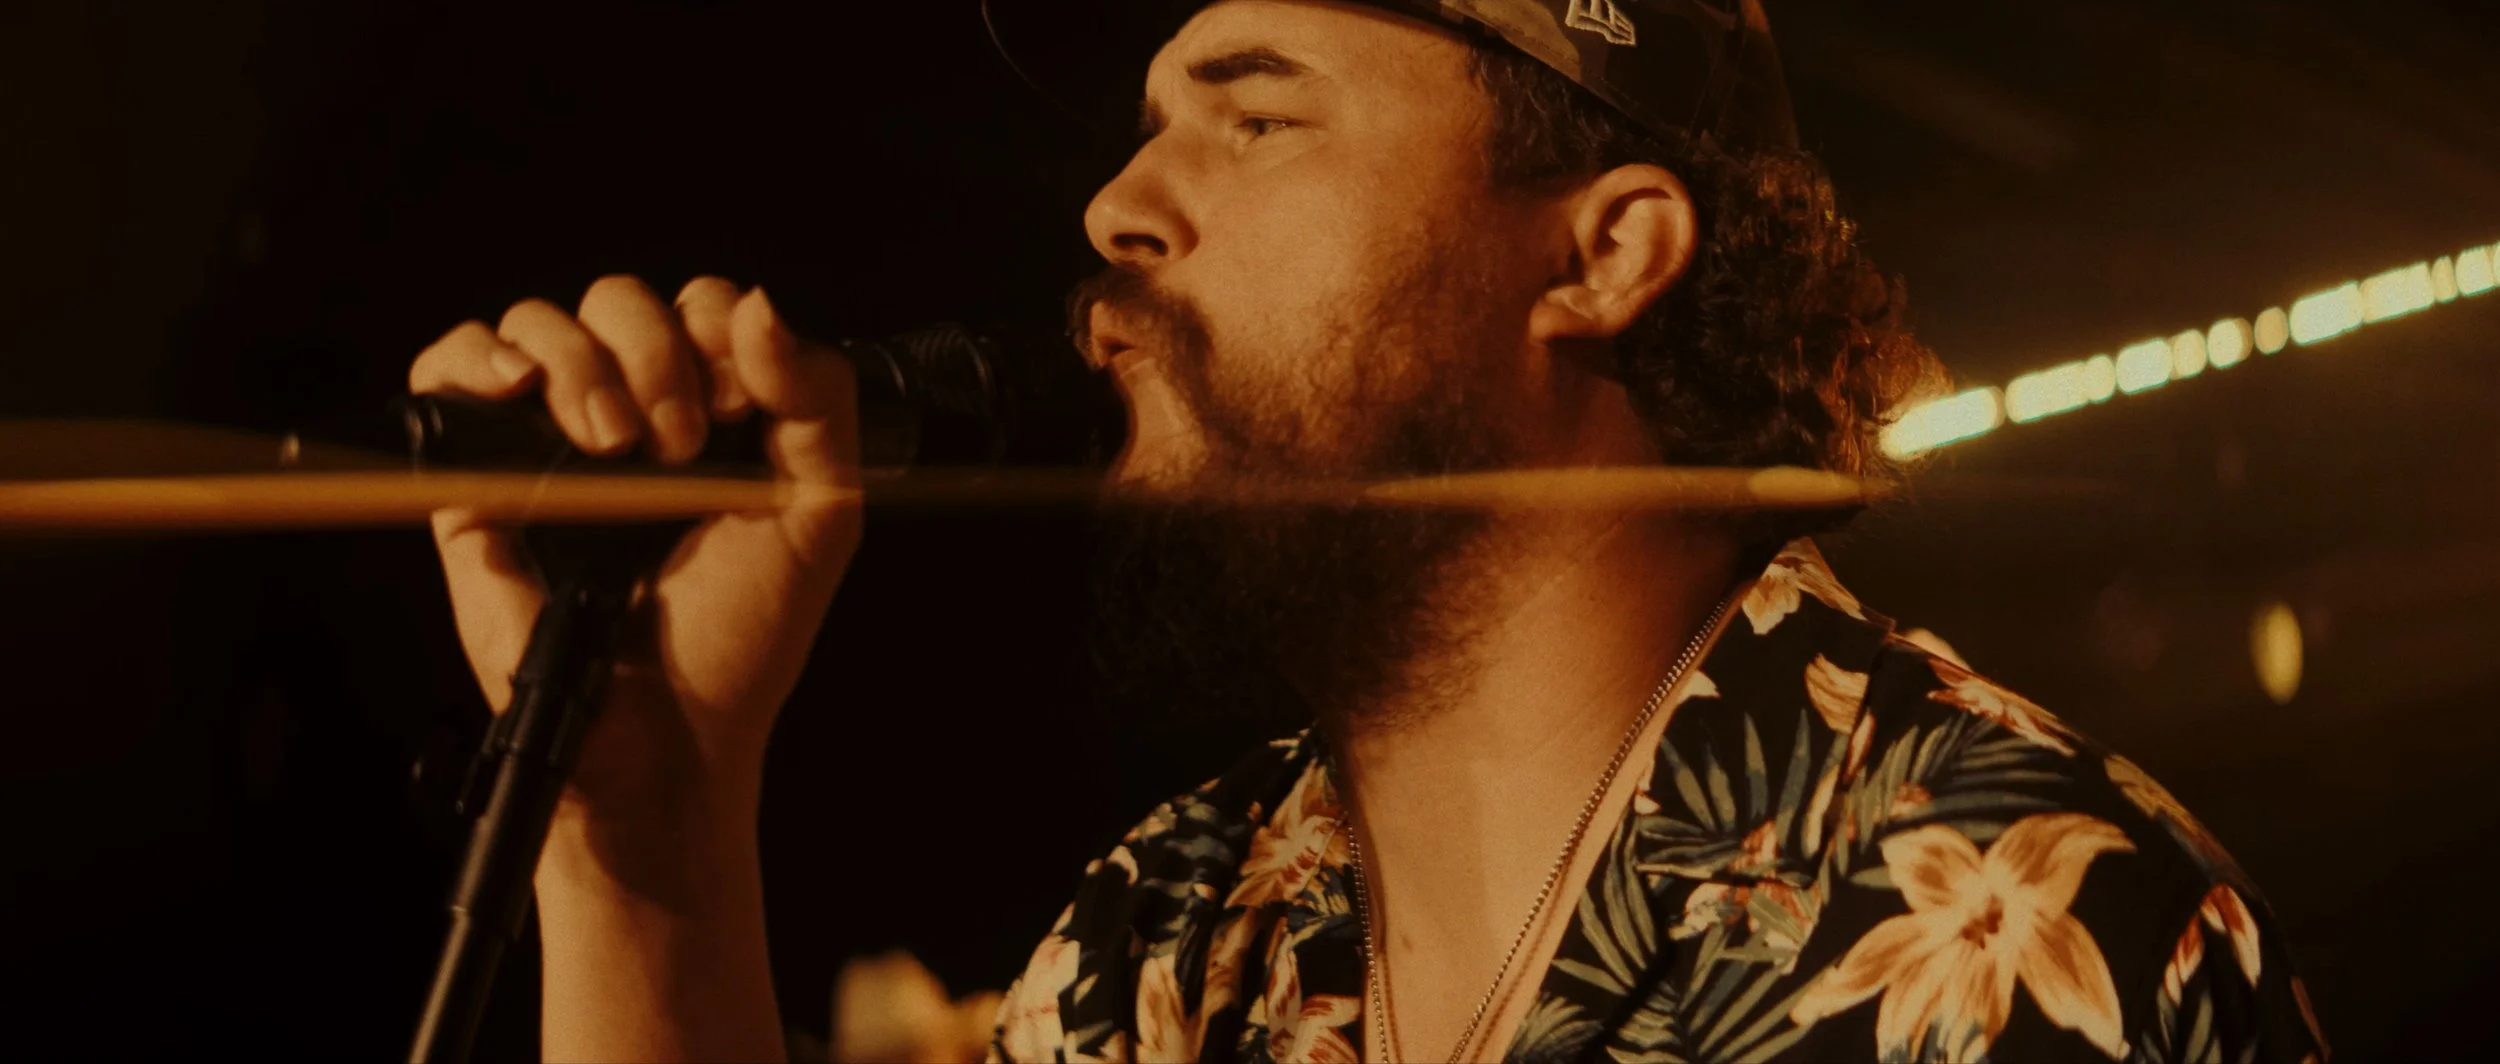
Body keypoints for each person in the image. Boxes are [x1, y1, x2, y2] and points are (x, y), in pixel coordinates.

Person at [402, 0, 2331, 1060]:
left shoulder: (2018, 921)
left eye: (1256, 120)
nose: (1119, 207)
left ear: (1604, 249)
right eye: (1152, 119)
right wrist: (645, 826)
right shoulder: (1163, 940)